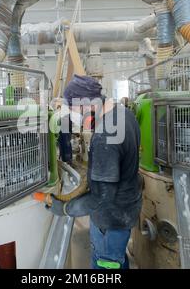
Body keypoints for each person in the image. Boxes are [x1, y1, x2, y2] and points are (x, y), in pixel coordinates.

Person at [46, 75, 143, 270]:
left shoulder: (105, 137)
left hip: (110, 220)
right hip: (127, 208)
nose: (75, 117)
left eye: (73, 109)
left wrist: (65, 209)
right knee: (116, 261)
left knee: (106, 264)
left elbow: (101, 199)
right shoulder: (124, 114)